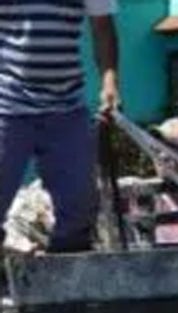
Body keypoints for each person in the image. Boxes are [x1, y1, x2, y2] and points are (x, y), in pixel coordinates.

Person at [0, 0, 121, 252]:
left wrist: (109, 84)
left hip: (67, 108)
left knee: (78, 209)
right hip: (8, 106)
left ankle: (66, 284)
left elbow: (102, 28)